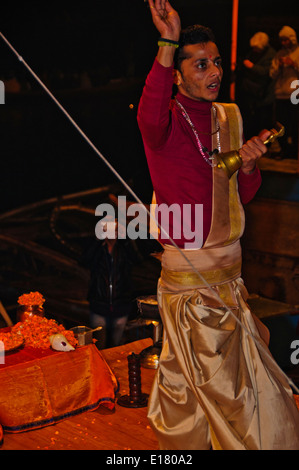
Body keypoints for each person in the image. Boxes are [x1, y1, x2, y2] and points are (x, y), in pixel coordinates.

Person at [137, 0, 299, 450]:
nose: (214, 72)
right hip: (191, 283)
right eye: (201, 64)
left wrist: (247, 167)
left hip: (232, 278)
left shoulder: (227, 115)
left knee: (218, 388)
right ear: (177, 72)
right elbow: (148, 109)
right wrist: (168, 40)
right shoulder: (163, 122)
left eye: (217, 63)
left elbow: (239, 196)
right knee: (219, 392)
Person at [83, 219, 141, 348]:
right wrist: (97, 241)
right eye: (107, 229)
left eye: (115, 230)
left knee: (116, 344)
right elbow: (85, 261)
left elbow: (137, 260)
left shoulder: (124, 249)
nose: (112, 233)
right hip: (99, 305)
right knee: (100, 344)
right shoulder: (98, 249)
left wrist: (126, 239)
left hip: (121, 304)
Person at [238, 32, 276, 138]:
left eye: (256, 48)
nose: (255, 50)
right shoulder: (252, 53)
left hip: (263, 93)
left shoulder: (270, 55)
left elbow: (267, 72)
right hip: (251, 92)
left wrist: (252, 66)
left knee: (263, 120)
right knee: (251, 119)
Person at [270, 26, 299, 159]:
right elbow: (272, 74)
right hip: (280, 93)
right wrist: (280, 66)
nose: (283, 43)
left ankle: (294, 151)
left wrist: (293, 64)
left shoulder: (298, 52)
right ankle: (284, 150)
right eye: (282, 40)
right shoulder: (279, 54)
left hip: (295, 92)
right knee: (282, 123)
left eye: (286, 40)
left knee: (294, 122)